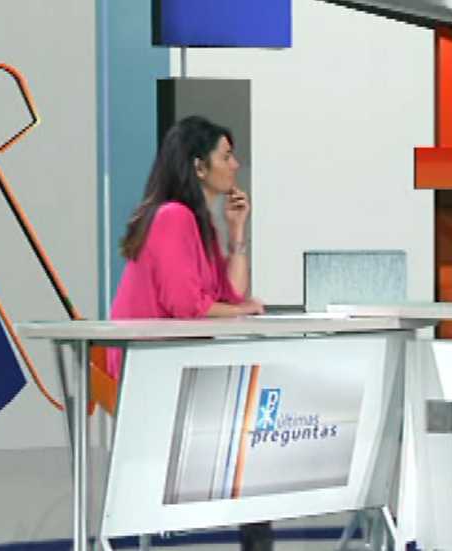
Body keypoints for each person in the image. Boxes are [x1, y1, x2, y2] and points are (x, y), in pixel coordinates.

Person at [109, 115, 272, 551]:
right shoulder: (173, 217)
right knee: (250, 447)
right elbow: (188, 306)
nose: (235, 165)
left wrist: (237, 232)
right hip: (148, 374)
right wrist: (238, 310)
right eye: (226, 156)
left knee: (252, 448)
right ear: (199, 166)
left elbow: (230, 293)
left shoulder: (199, 224)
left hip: (173, 368)